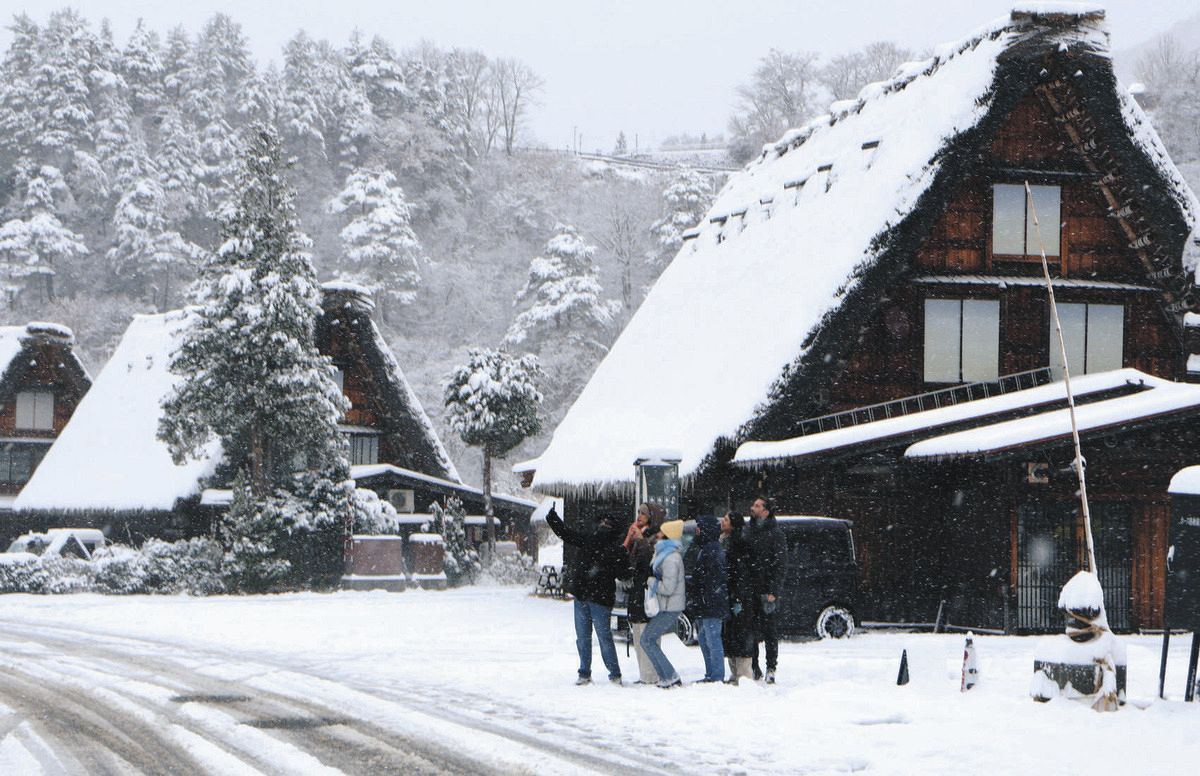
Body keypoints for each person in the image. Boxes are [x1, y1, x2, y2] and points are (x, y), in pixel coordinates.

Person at [546, 505, 630, 685]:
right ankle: (588, 672)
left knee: (601, 637)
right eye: (602, 521)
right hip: (585, 596)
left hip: (596, 598)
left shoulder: (612, 548)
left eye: (608, 522)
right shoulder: (593, 542)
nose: (604, 524)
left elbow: (623, 574)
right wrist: (553, 519)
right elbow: (565, 533)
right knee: (586, 638)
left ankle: (612, 674)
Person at [640, 519, 686, 689]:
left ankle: (670, 675)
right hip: (666, 605)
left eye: (661, 532)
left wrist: (651, 581)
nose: (657, 534)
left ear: (667, 536)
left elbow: (668, 588)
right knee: (648, 639)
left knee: (647, 639)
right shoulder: (664, 554)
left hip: (670, 607)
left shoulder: (670, 559)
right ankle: (666, 676)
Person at [624, 503, 665, 684]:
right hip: (637, 590)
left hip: (649, 591)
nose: (639, 515)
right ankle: (644, 674)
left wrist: (640, 540)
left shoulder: (657, 536)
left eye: (643, 513)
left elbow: (651, 560)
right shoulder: (638, 536)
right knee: (638, 634)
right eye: (638, 512)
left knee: (647, 633)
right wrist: (629, 539)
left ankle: (651, 675)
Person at [748, 496, 786, 683]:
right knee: (751, 630)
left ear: (766, 510)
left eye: (757, 506)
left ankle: (771, 667)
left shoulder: (775, 534)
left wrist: (774, 590)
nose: (752, 508)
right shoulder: (749, 531)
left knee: (769, 631)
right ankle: (754, 667)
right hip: (751, 588)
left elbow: (780, 564)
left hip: (766, 589)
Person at [720, 511, 756, 684]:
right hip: (732, 594)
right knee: (732, 634)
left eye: (726, 519)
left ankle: (743, 674)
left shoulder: (739, 544)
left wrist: (738, 596)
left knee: (741, 633)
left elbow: (741, 573)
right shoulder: (726, 541)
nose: (722, 521)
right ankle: (735, 673)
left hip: (740, 596)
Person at [693, 514, 729, 682]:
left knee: (711, 638)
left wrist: (705, 595)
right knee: (705, 637)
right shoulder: (709, 548)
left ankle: (716, 675)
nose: (696, 531)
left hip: (711, 602)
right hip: (709, 601)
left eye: (699, 528)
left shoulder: (711, 550)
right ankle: (712, 673)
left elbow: (713, 578)